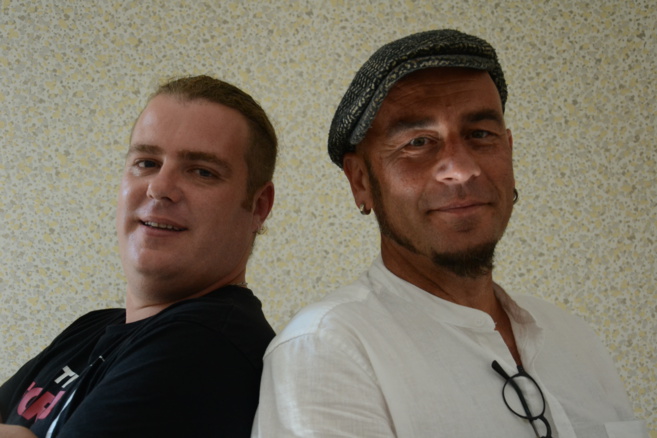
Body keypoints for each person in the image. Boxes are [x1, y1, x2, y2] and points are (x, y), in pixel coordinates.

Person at [252, 30, 647, 437]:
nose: (461, 169)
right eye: (418, 142)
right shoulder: (328, 351)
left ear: (509, 150)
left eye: (481, 135)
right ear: (361, 181)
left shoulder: (575, 339)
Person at [0, 75, 277, 438]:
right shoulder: (91, 329)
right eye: (147, 162)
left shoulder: (208, 345)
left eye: (202, 171)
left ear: (258, 207)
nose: (159, 187)